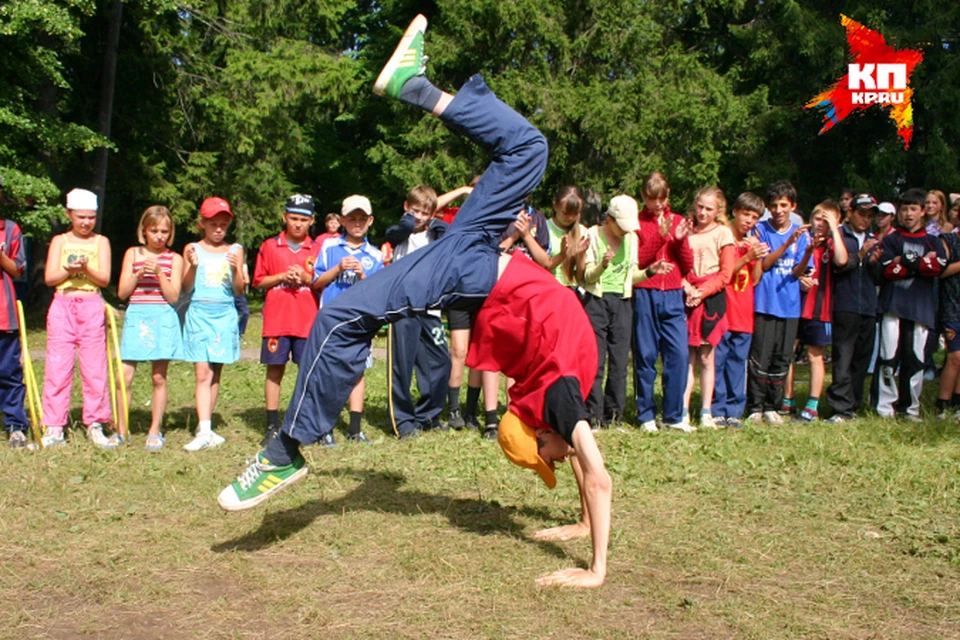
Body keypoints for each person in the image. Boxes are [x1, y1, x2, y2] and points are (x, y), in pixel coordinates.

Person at [219, 15, 613, 589]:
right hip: (471, 262)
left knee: (530, 147)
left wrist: (582, 523)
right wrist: (596, 571)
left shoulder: (556, 398)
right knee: (341, 314)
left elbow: (579, 457)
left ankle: (416, 88)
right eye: (547, 456)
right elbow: (596, 473)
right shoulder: (558, 398)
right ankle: (286, 450)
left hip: (479, 246)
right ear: (541, 428)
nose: (552, 459)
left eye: (545, 457)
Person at [39, 188, 114, 448]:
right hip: (63, 304)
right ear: (69, 214)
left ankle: (95, 423)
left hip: (92, 304)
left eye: (91, 217)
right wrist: (68, 270)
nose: (85, 223)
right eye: (80, 217)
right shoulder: (60, 241)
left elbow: (104, 279)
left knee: (95, 368)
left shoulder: (100, 242)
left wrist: (85, 268)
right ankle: (54, 426)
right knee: (58, 368)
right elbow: (49, 277)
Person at [252, 194, 321, 447]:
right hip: (278, 321)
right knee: (274, 371)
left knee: (308, 373)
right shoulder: (270, 246)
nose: (298, 224)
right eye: (293, 218)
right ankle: (272, 425)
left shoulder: (318, 248)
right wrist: (282, 275)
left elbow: (322, 283)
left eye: (303, 219)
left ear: (312, 220)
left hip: (307, 321)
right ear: (284, 217)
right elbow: (258, 281)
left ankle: (307, 423)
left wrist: (305, 277)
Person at [313, 194, 382, 444]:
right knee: (329, 372)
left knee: (357, 371)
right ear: (342, 220)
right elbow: (317, 282)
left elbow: (378, 293)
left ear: (370, 221)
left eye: (362, 218)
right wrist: (338, 269)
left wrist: (363, 275)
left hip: (359, 322)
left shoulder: (374, 255)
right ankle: (325, 428)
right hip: (331, 320)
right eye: (351, 218)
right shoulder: (330, 247)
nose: (356, 223)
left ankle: (355, 429)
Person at [384, 185, 451, 438]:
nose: (420, 217)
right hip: (402, 308)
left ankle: (429, 415)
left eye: (425, 213)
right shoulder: (402, 234)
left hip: (430, 308)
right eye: (415, 211)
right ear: (406, 208)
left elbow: (451, 237)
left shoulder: (435, 233)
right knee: (402, 365)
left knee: (440, 361)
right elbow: (394, 232)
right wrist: (409, 222)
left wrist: (438, 225)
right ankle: (403, 421)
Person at [116, 205, 184, 451]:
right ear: (143, 231)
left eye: (165, 231)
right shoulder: (132, 254)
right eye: (154, 230)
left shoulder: (174, 259)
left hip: (162, 317)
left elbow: (174, 296)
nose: (159, 236)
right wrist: (136, 274)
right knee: (124, 376)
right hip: (137, 315)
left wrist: (159, 273)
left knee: (158, 376)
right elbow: (122, 293)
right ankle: (121, 430)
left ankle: (155, 428)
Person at [875, 188, 946, 419]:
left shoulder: (933, 241)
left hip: (920, 308)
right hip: (892, 305)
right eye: (904, 209)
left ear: (923, 211)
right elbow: (887, 270)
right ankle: (885, 407)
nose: (908, 214)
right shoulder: (892, 239)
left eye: (913, 209)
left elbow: (937, 269)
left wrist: (903, 261)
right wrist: (919, 263)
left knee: (915, 359)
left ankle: (910, 408)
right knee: (888, 357)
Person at [632, 172, 695, 433]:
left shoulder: (678, 220)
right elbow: (638, 259)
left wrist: (679, 240)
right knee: (646, 354)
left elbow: (688, 265)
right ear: (643, 197)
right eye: (651, 198)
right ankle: (646, 414)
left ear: (667, 196)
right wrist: (659, 236)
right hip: (646, 291)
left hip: (672, 294)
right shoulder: (637, 224)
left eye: (661, 198)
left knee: (679, 355)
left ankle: (673, 415)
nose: (656, 204)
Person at [744, 180, 810, 425]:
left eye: (784, 205)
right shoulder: (760, 230)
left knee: (782, 357)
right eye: (774, 205)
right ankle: (756, 406)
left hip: (790, 304)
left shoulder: (801, 233)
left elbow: (797, 271)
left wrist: (810, 250)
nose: (779, 210)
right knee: (760, 355)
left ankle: (773, 405)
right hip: (764, 302)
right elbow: (767, 263)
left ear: (793, 206)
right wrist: (787, 243)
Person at [181, 197, 245, 450]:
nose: (219, 229)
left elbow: (239, 290)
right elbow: (186, 288)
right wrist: (193, 267)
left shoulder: (235, 250)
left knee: (215, 372)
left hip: (224, 314)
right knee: (202, 372)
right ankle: (204, 430)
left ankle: (205, 425)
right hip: (199, 312)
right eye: (213, 224)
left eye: (223, 224)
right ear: (203, 224)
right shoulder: (192, 249)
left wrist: (237, 270)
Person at [583, 196, 651, 429]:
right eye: (621, 226)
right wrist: (602, 265)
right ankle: (593, 415)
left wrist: (650, 272)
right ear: (609, 219)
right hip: (596, 301)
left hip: (622, 302)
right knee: (596, 360)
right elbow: (587, 277)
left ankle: (614, 416)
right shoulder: (593, 235)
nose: (625, 231)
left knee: (620, 362)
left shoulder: (631, 239)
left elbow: (632, 276)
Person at [782, 201, 848, 422]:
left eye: (826, 220)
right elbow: (792, 267)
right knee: (787, 352)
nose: (820, 224)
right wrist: (800, 278)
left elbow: (842, 260)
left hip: (820, 308)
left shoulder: (832, 244)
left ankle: (812, 405)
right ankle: (787, 399)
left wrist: (835, 229)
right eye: (818, 219)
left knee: (814, 355)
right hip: (795, 305)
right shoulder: (803, 240)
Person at [681, 187, 736, 429]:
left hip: (710, 298)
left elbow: (726, 274)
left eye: (709, 209)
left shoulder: (723, 233)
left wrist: (702, 293)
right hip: (687, 295)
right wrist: (687, 288)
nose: (703, 212)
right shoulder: (685, 230)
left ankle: (705, 410)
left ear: (718, 211)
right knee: (686, 357)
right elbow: (676, 265)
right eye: (700, 206)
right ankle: (681, 410)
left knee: (706, 356)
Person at [712, 193, 767, 428]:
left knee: (737, 363)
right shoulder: (725, 240)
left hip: (744, 314)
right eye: (746, 214)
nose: (749, 221)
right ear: (735, 212)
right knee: (718, 362)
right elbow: (723, 275)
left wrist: (758, 258)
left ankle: (734, 410)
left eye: (755, 217)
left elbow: (755, 280)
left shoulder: (750, 243)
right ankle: (717, 409)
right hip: (724, 311)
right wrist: (746, 258)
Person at [825, 194, 881, 422]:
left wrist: (875, 262)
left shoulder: (874, 239)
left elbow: (877, 277)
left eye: (870, 216)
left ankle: (854, 405)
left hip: (868, 306)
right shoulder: (840, 235)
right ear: (851, 213)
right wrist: (861, 254)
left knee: (862, 359)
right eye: (861, 214)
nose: (865, 219)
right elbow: (840, 266)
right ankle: (840, 407)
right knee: (843, 358)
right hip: (845, 305)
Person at [0, 214, 29, 448]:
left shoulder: (10, 229)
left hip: (4, 315)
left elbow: (18, 269)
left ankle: (16, 426)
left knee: (8, 372)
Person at [936, 228, 960, 418]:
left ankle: (957, 404)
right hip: (952, 306)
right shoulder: (948, 240)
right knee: (955, 356)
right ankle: (942, 404)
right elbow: (940, 270)